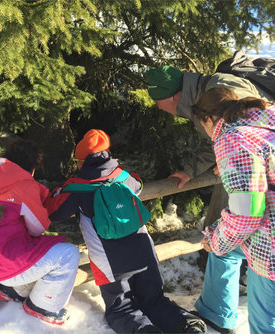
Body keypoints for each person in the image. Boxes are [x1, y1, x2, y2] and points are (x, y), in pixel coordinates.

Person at [45, 129, 207, 334]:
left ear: (80, 162)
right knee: (155, 300)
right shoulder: (123, 176)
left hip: (111, 262)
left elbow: (54, 211)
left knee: (121, 309)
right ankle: (188, 327)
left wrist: (57, 191)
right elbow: (138, 185)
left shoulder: (77, 188)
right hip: (144, 252)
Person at [191, 87, 275, 333]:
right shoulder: (267, 128)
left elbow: (247, 215)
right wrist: (216, 238)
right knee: (222, 247)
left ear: (208, 118)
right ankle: (215, 313)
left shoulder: (233, 138)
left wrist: (216, 240)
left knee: (270, 327)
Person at [0, 137, 80, 325]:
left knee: (32, 249)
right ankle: (44, 307)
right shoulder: (23, 187)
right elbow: (38, 227)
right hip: (5, 264)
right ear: (32, 166)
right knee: (68, 253)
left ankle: (12, 290)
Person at [145, 65, 273, 188]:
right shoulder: (197, 105)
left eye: (158, 102)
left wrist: (232, 156)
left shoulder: (221, 89)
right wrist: (189, 172)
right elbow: (213, 144)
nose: (159, 108)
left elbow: (258, 118)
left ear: (171, 97)